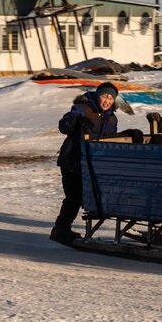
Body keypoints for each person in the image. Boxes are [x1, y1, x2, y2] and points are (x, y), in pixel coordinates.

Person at [51, 81, 119, 244]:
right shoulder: (82, 108)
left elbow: (110, 140)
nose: (107, 100)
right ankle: (60, 229)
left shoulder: (112, 118)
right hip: (72, 161)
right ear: (97, 95)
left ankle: (63, 227)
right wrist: (77, 122)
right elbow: (63, 126)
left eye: (111, 98)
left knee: (83, 197)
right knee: (73, 196)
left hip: (91, 164)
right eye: (104, 96)